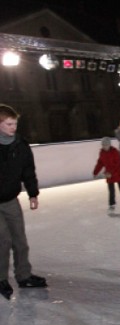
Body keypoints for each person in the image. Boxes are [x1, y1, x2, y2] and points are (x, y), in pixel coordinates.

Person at [0, 104, 48, 300]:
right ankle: (1, 278)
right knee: (3, 241)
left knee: (20, 239)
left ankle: (24, 276)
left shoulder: (21, 145)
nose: (13, 127)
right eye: (9, 124)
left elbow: (28, 171)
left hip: (10, 199)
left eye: (15, 123)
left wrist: (33, 193)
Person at [93, 137, 120, 211]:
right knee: (111, 190)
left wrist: (111, 173)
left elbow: (118, 164)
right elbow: (100, 163)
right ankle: (112, 204)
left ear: (109, 145)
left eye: (106, 145)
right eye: (103, 145)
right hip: (109, 174)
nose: (104, 146)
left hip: (118, 173)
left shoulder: (115, 152)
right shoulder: (102, 153)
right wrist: (95, 172)